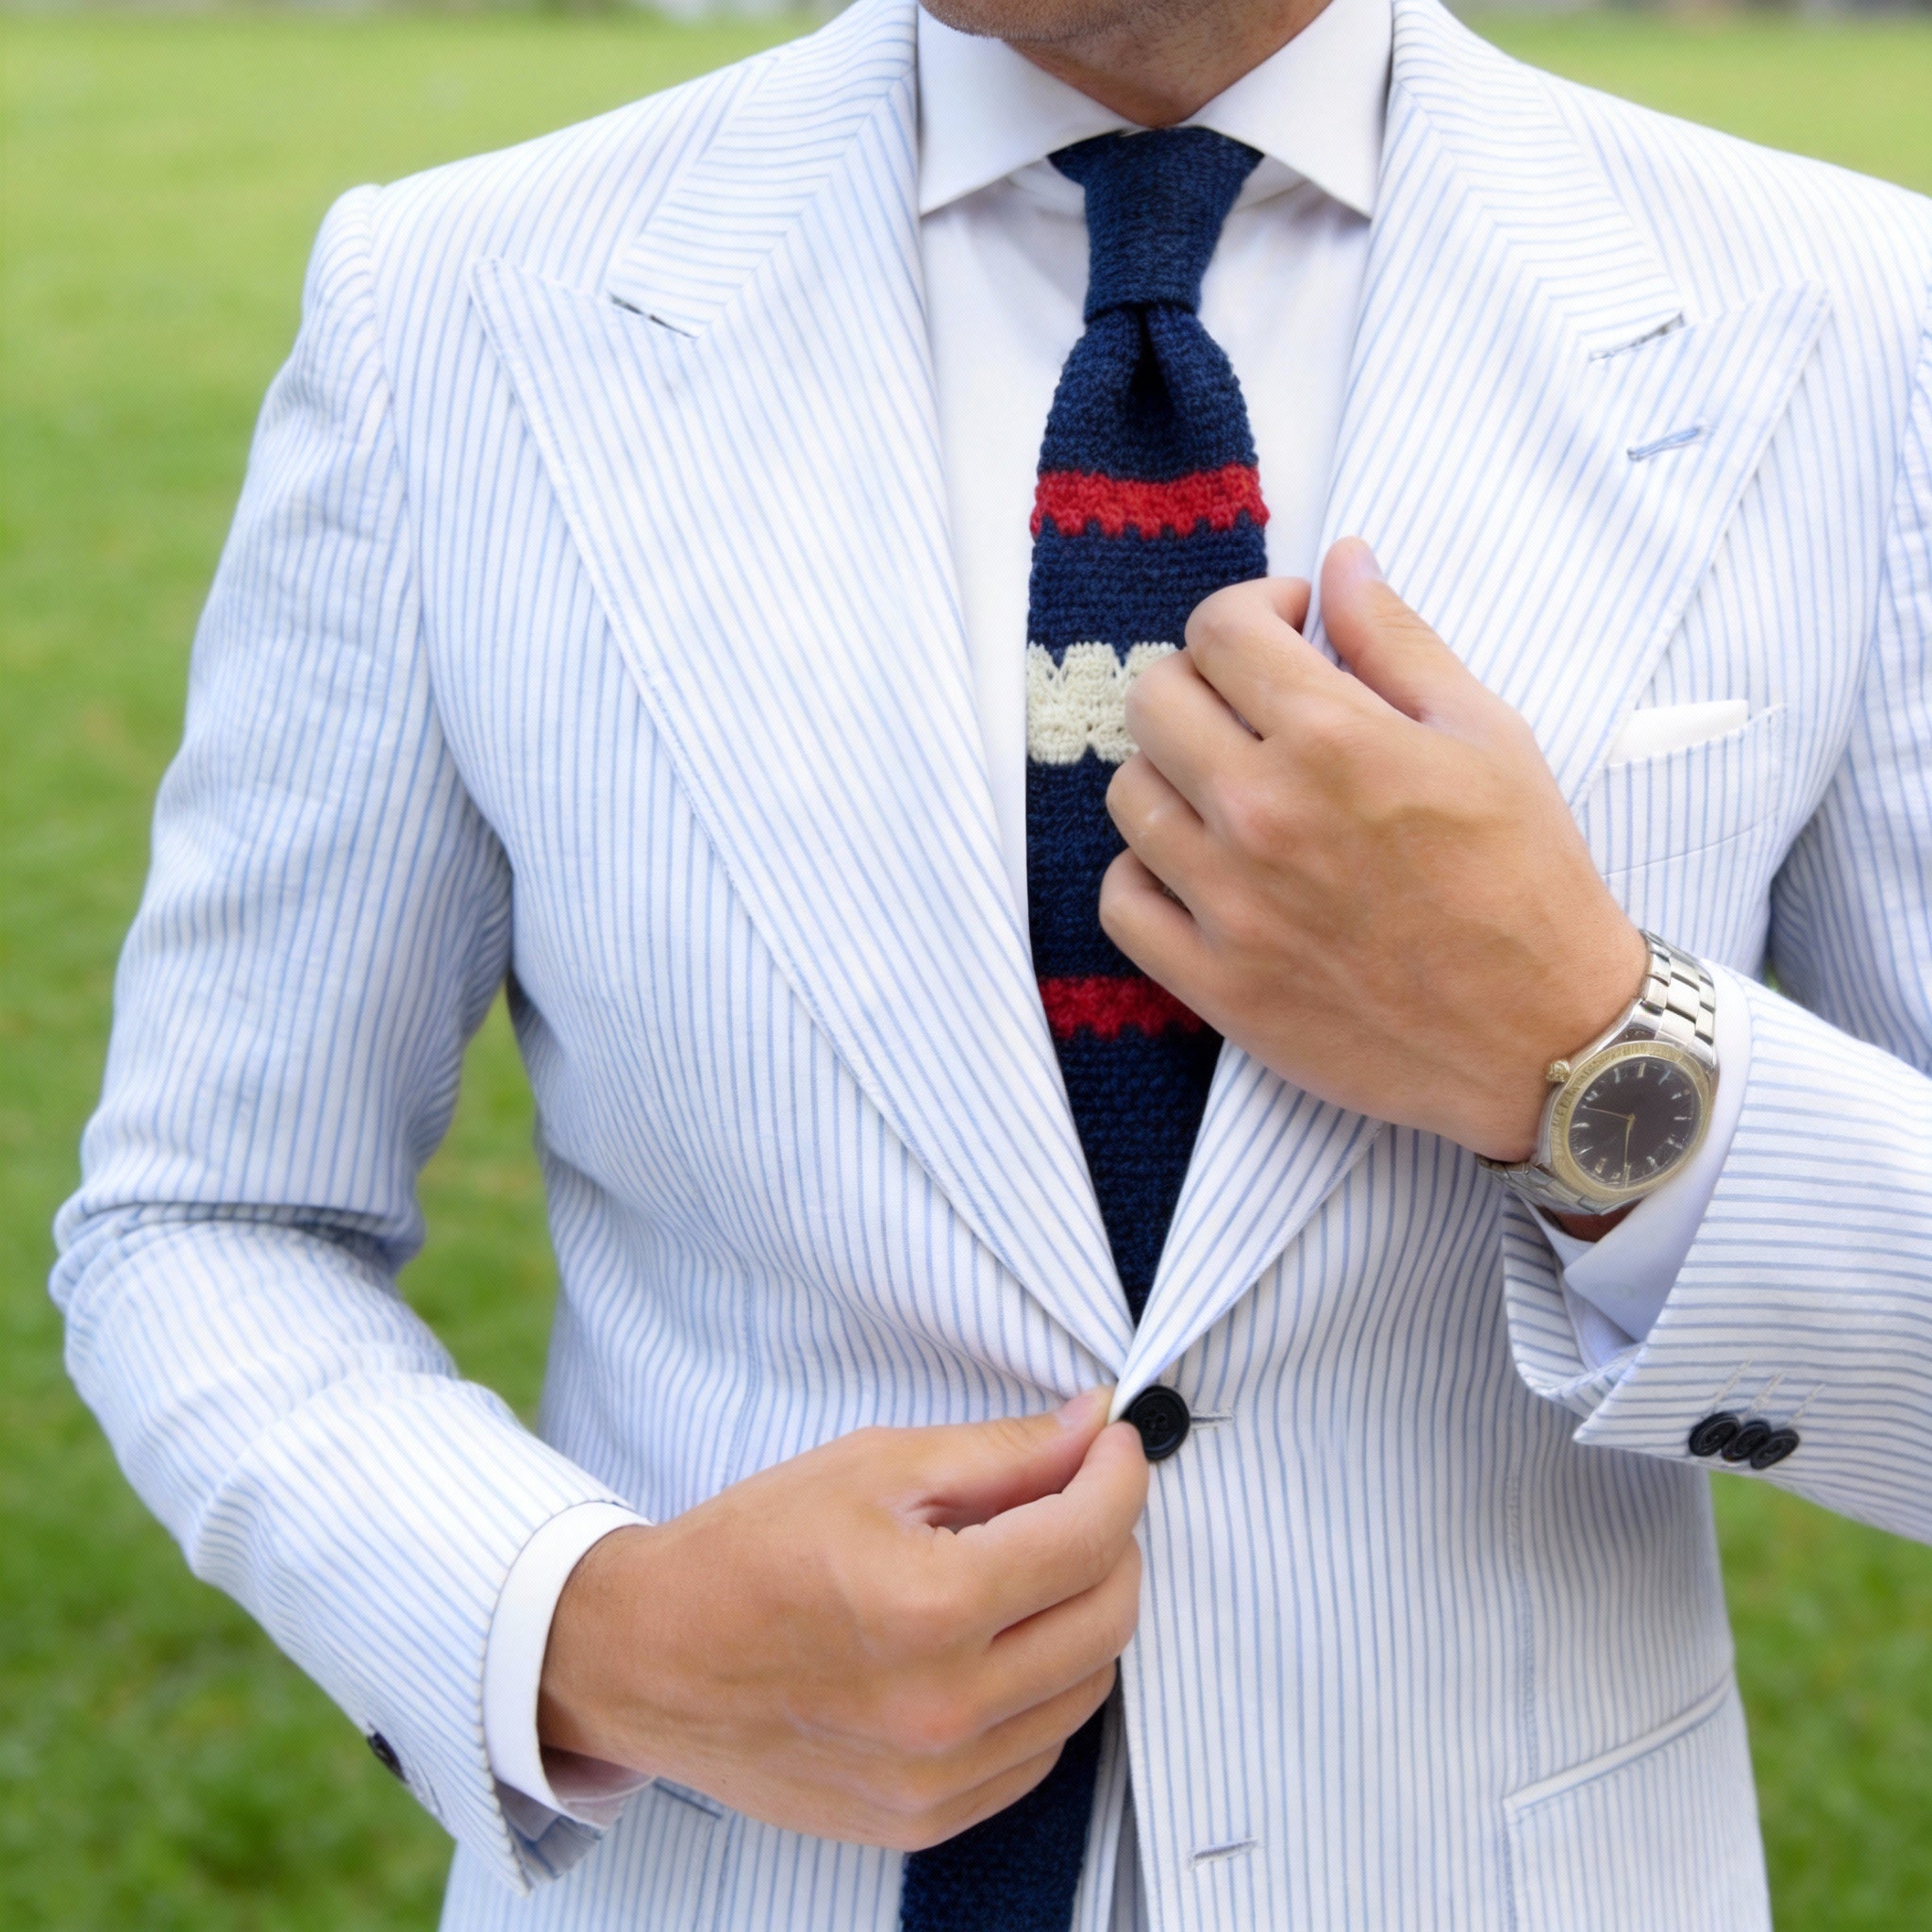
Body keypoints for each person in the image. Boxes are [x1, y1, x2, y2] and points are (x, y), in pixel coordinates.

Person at [52, 0, 1932, 1923]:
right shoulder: (450, 309)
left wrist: (1586, 1050)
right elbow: (211, 1215)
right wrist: (583, 1630)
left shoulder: (1848, 317)